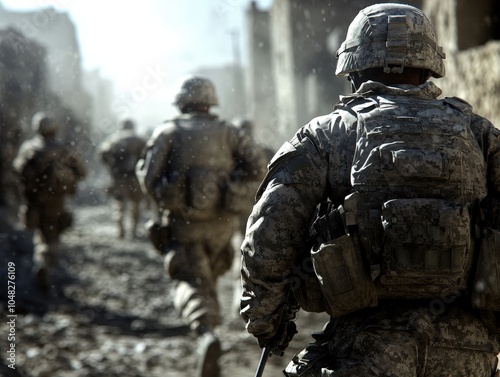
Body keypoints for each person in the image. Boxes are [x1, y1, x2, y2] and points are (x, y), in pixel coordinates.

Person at [240, 3, 500, 377]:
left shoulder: (326, 136)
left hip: (365, 349)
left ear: (354, 68)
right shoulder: (481, 135)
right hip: (470, 351)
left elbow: (268, 238)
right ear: (429, 65)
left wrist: (266, 320)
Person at [136, 76, 267, 377]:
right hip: (222, 225)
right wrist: (231, 188)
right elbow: (258, 167)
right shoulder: (229, 131)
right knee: (209, 274)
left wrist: (172, 191)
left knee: (189, 278)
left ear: (182, 102)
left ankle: (205, 332)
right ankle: (211, 339)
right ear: (211, 101)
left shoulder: (168, 132)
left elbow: (147, 180)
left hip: (184, 225)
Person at [13, 112, 86, 289]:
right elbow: (82, 172)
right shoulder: (64, 149)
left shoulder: (29, 148)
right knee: (53, 233)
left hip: (34, 200)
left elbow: (17, 171)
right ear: (55, 128)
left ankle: (42, 260)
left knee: (40, 233)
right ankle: (48, 258)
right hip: (57, 200)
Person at [98, 119, 147, 239]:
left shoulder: (113, 139)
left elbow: (103, 155)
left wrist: (112, 168)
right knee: (136, 205)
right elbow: (148, 156)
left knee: (119, 205)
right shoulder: (139, 139)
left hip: (119, 178)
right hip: (135, 177)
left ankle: (121, 231)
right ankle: (133, 231)